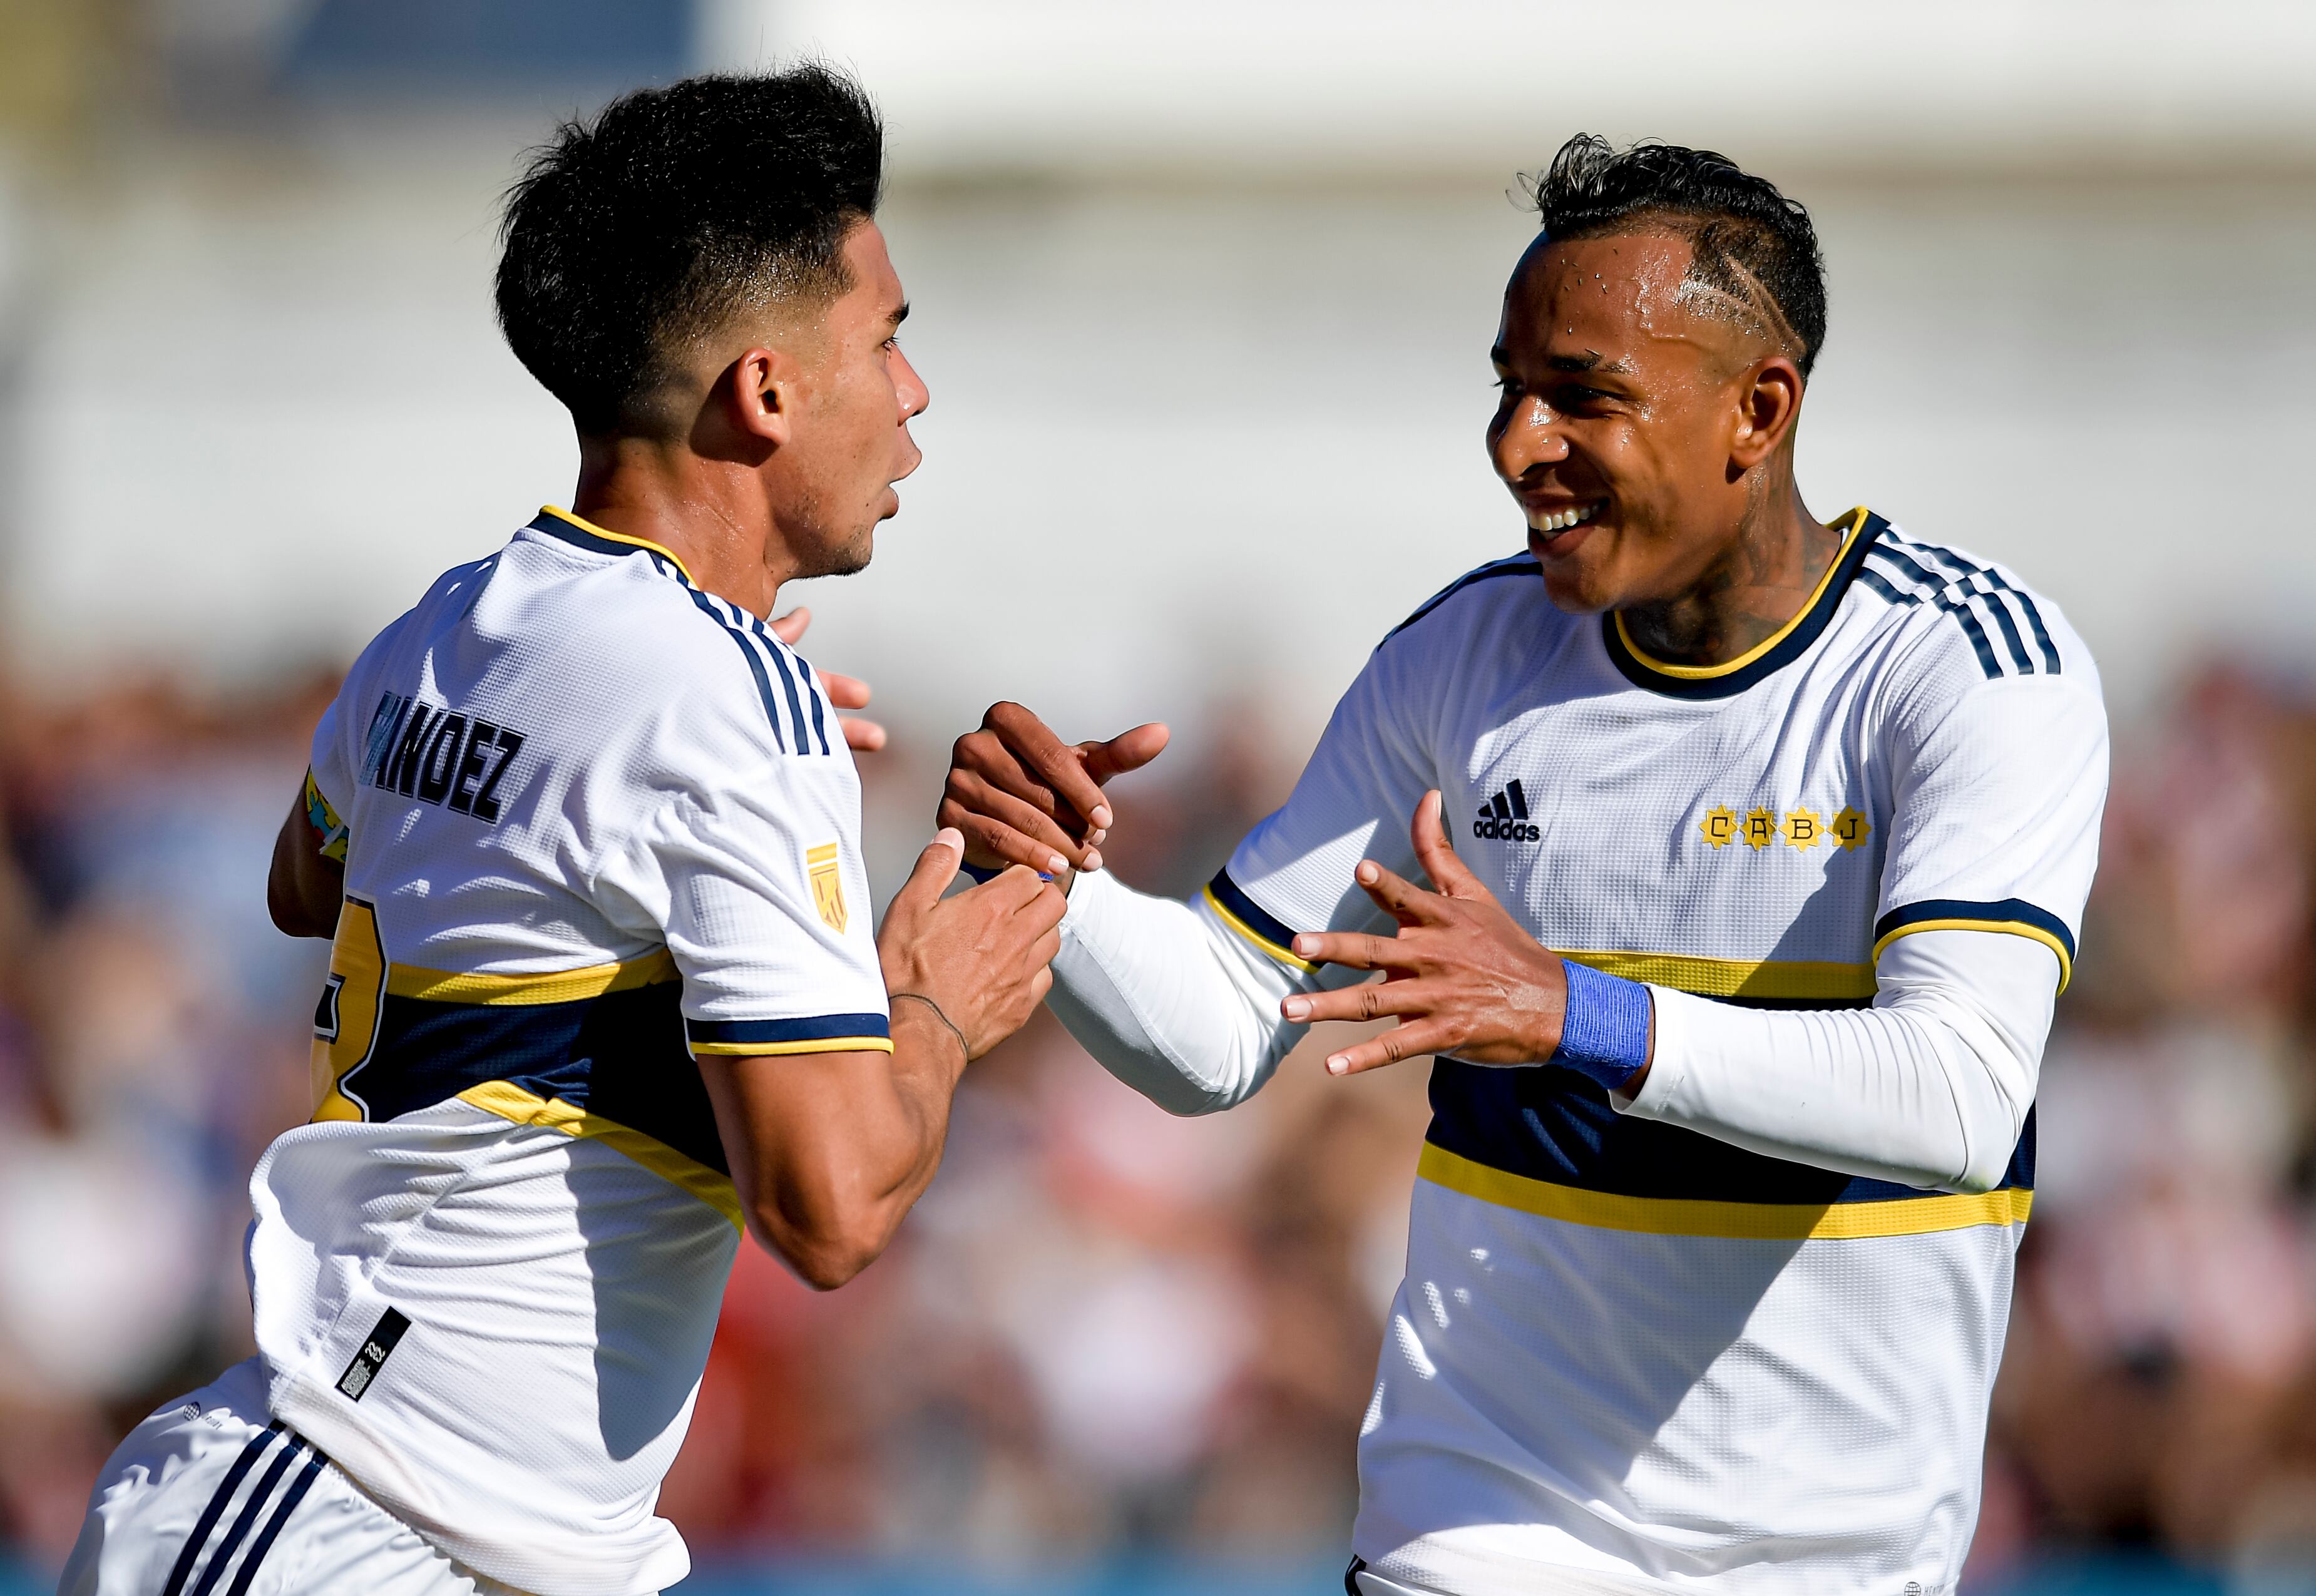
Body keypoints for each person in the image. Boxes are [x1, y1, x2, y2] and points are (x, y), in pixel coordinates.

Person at [939, 136, 2108, 1596]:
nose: (1515, 445)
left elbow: (1957, 1094)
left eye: (1581, 396)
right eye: (1506, 388)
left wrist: (1571, 1013)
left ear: (1757, 410)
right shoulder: (1462, 655)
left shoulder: (1966, 670)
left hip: (1842, 1554)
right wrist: (1047, 883)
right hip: (1483, 1523)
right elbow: (1223, 1029)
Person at [62, 68, 1065, 1596]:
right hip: (349, 1523)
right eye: (886, 338)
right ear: (766, 390)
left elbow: (303, 878)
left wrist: (639, 812)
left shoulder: (446, 625)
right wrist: (932, 1001)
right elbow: (831, 1211)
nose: (913, 390)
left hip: (456, 1536)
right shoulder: (721, 698)